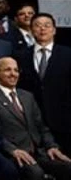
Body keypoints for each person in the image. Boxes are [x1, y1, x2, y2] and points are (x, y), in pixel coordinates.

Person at [15, 13, 71, 153]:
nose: (42, 29)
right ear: (31, 30)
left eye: (47, 25)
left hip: (65, 118)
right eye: (38, 25)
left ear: (54, 30)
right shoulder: (21, 56)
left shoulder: (67, 54)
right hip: (35, 119)